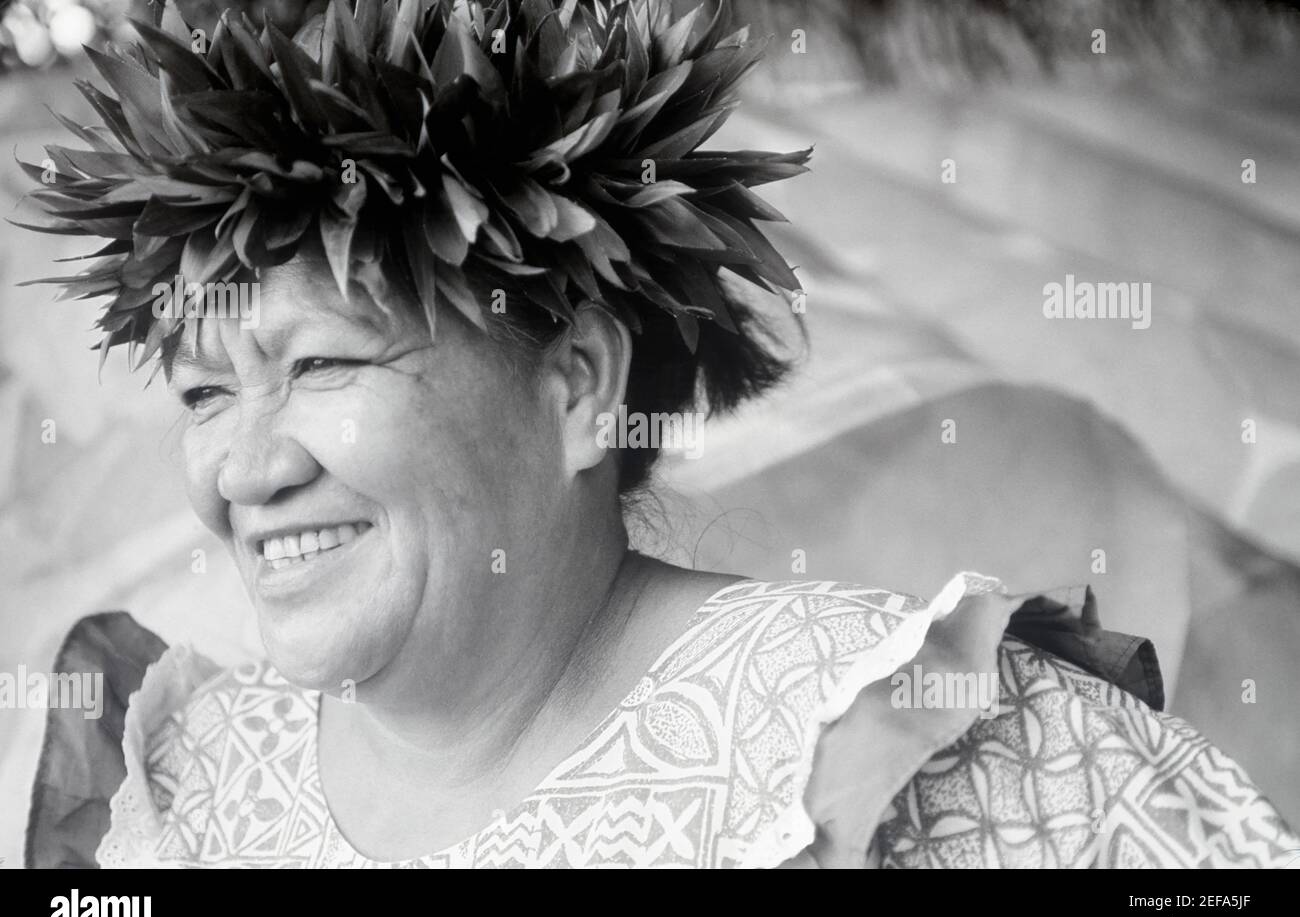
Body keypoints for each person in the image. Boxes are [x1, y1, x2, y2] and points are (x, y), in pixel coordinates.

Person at [20, 0, 1299, 868]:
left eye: (319, 363)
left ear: (578, 384)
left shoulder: (938, 744)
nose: (243, 469)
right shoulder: (179, 774)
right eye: (202, 393)